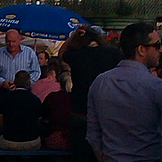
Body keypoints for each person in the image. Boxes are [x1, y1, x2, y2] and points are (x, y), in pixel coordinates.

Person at [87, 22, 162, 161]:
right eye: (157, 45)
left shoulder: (100, 82)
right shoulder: (155, 86)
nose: (160, 50)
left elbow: (93, 134)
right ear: (141, 49)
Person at [60, 24, 122, 161]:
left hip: (81, 112)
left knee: (81, 154)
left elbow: (62, 53)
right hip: (106, 112)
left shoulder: (76, 56)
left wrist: (74, 36)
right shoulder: (113, 53)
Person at [0, 70, 42, 151]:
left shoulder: (5, 99)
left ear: (15, 82)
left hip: (10, 140)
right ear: (29, 83)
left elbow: (0, 122)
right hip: (31, 141)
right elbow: (38, 123)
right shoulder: (35, 100)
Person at [41, 72, 72, 151]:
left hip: (56, 137)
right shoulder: (79, 98)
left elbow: (43, 114)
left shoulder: (52, 97)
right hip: (75, 138)